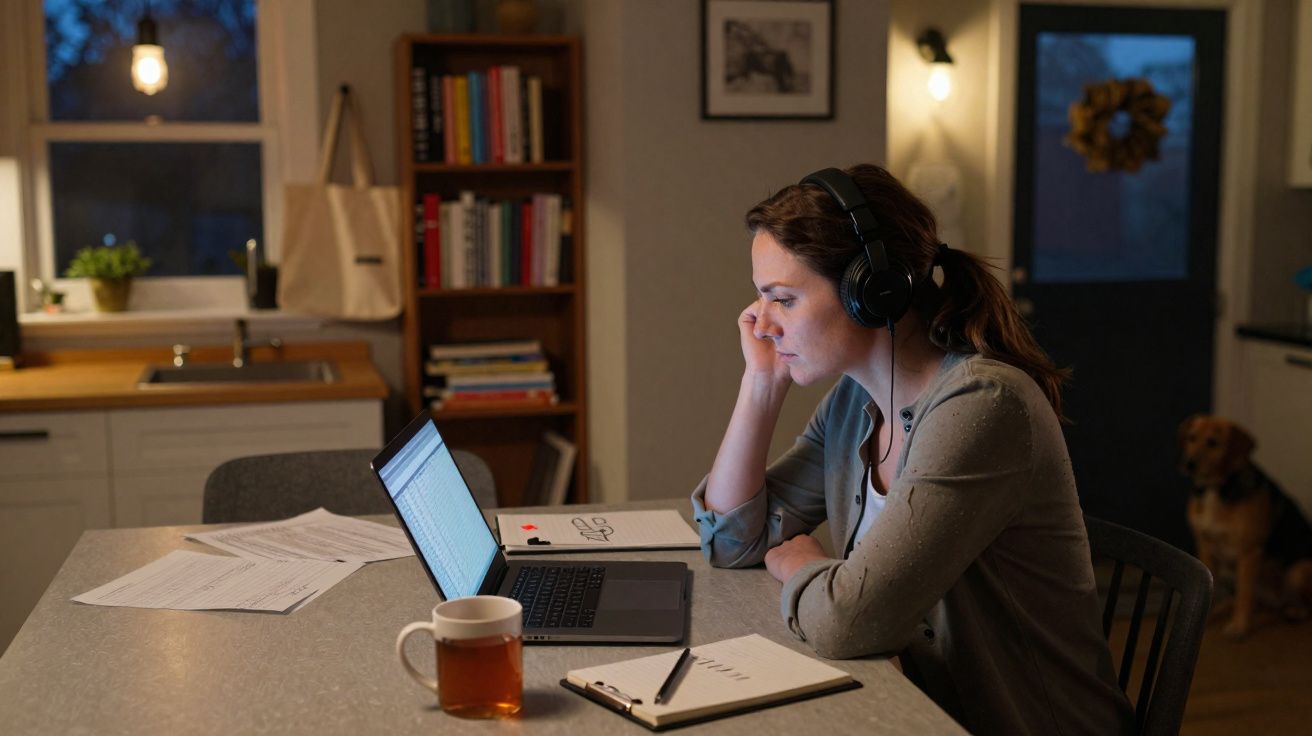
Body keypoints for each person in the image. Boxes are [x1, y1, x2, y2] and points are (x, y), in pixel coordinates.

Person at [691, 164, 1134, 735]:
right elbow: (731, 540)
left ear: (872, 293)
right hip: (913, 706)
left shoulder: (983, 407)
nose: (759, 323)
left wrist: (800, 562)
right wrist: (762, 385)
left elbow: (848, 623)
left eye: (783, 299)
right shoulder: (855, 402)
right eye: (760, 297)